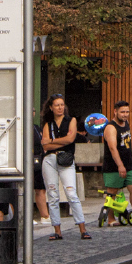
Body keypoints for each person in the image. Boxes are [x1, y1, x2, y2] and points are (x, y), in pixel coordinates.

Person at [41, 94, 90, 241]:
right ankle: (57, 230)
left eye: (62, 104)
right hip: (50, 159)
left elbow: (71, 138)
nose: (60, 107)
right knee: (53, 194)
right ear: (51, 107)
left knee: (71, 193)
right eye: (57, 105)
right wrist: (56, 142)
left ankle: (82, 228)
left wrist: (53, 141)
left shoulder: (71, 120)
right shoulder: (47, 123)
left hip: (66, 159)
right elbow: (45, 145)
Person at [103, 101, 132, 210]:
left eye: (127, 112)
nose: (125, 114)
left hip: (128, 165)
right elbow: (112, 148)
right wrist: (120, 165)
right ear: (115, 111)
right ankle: (111, 219)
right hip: (114, 166)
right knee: (112, 192)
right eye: (122, 112)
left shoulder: (125, 123)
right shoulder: (111, 127)